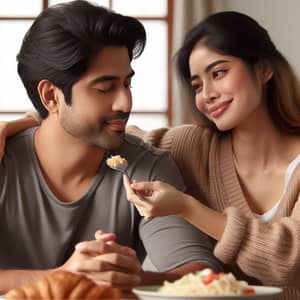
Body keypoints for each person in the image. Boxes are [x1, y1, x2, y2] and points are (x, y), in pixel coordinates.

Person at [0, 0, 223, 295]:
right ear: (51, 96)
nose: (125, 103)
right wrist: (63, 277)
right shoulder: (5, 162)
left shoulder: (146, 167)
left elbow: (201, 272)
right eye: (105, 88)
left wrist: (131, 278)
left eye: (127, 84)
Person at [122, 11, 300, 299]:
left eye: (218, 73)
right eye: (197, 85)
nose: (207, 95)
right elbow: (118, 136)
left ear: (264, 69)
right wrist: (32, 121)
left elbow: (287, 259)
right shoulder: (191, 147)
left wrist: (186, 207)